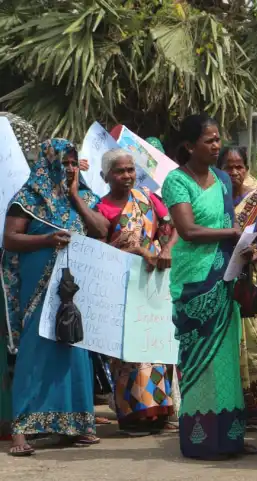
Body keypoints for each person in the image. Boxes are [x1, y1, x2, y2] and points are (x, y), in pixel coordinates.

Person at [3, 139, 109, 456]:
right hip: (38, 289)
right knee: (36, 352)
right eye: (64, 162)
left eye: (74, 162)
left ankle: (76, 425)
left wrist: (76, 196)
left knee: (73, 351)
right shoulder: (28, 198)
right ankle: (21, 430)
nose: (70, 168)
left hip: (73, 292)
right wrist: (47, 239)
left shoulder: (85, 197)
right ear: (49, 162)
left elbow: (101, 230)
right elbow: (10, 238)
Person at [161, 114, 257, 460]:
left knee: (227, 357)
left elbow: (231, 222)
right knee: (200, 359)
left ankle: (231, 436)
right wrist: (233, 234)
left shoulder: (220, 178)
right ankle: (201, 439)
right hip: (194, 279)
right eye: (210, 140)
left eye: (218, 139)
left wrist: (244, 244)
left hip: (224, 274)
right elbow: (187, 231)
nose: (217, 146)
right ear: (190, 145)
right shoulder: (176, 181)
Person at [95, 148, 178, 436]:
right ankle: (132, 416)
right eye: (120, 171)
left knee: (157, 345)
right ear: (106, 176)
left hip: (155, 282)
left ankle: (160, 413)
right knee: (129, 352)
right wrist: (139, 250)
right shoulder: (101, 208)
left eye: (131, 169)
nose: (127, 176)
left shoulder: (147, 198)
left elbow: (171, 226)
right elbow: (99, 251)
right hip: (122, 287)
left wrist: (165, 249)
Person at [218, 145, 257, 433]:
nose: (234, 172)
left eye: (239, 166)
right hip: (223, 280)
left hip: (255, 282)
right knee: (230, 344)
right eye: (228, 166)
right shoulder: (214, 199)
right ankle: (236, 407)